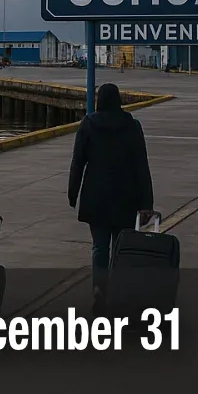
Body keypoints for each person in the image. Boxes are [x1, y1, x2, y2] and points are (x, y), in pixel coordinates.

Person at [68, 83, 155, 316]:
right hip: (126, 196)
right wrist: (147, 202)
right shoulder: (132, 126)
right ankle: (117, 291)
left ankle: (99, 288)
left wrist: (72, 192)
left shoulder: (88, 124)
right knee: (120, 248)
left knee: (99, 247)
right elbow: (141, 166)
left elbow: (78, 161)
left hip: (96, 196)